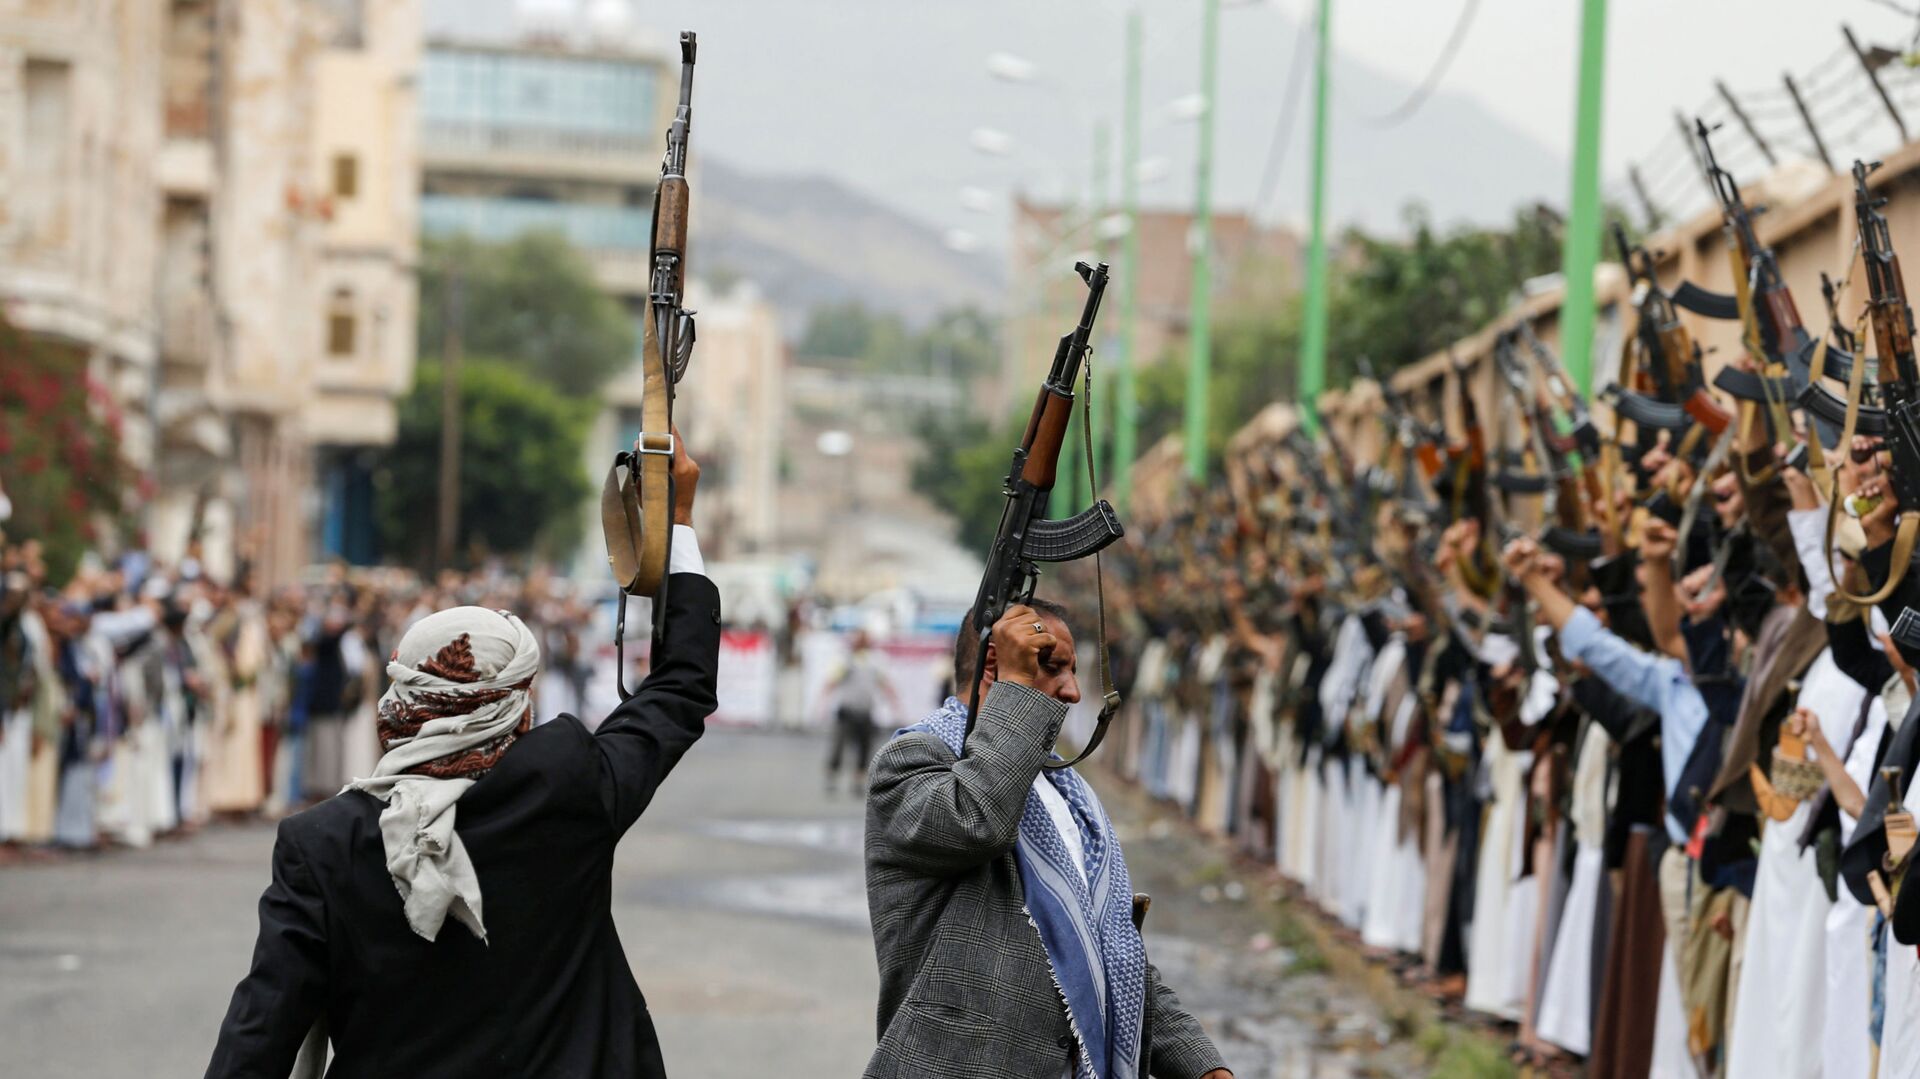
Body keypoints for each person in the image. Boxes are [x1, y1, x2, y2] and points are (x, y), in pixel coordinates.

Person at [205, 431, 719, 1079]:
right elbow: (680, 687)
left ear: (402, 698)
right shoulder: (566, 785)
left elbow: (257, 1038)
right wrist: (675, 519)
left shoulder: (324, 843)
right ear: (513, 706)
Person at [863, 598, 1231, 1079]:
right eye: (1053, 667)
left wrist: (1202, 1066)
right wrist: (1016, 686)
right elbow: (978, 820)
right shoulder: (912, 763)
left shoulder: (1066, 792)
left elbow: (1109, 950)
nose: (1074, 692)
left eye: (1073, 671)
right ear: (996, 666)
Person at [821, 629, 901, 793]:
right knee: (838, 746)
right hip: (847, 710)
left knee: (864, 748)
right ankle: (832, 776)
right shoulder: (846, 660)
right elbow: (833, 680)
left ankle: (858, 779)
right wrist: (823, 699)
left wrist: (894, 700)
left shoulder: (874, 661)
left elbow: (884, 682)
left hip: (865, 711)